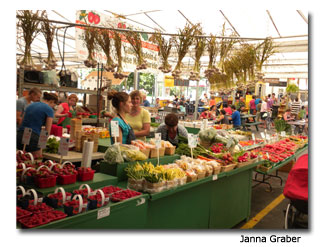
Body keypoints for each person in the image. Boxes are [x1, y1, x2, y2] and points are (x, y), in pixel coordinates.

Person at [17, 92, 58, 157]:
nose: (53, 107)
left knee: (21, 160)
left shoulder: (30, 105)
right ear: (51, 101)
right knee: (35, 161)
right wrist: (42, 145)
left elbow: (21, 122)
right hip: (33, 137)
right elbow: (47, 130)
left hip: (20, 135)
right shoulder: (49, 110)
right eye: (54, 105)